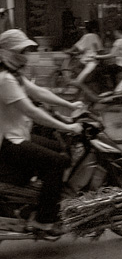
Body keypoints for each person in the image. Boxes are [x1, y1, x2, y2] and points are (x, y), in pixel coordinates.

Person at [0, 29, 83, 235]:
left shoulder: (14, 75)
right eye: (21, 50)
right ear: (6, 52)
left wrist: (70, 105)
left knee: (60, 148)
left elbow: (40, 92)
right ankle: (44, 219)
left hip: (19, 134)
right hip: (9, 140)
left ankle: (42, 194)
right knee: (57, 162)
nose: (25, 55)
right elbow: (31, 110)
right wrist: (67, 127)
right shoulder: (5, 79)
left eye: (27, 50)